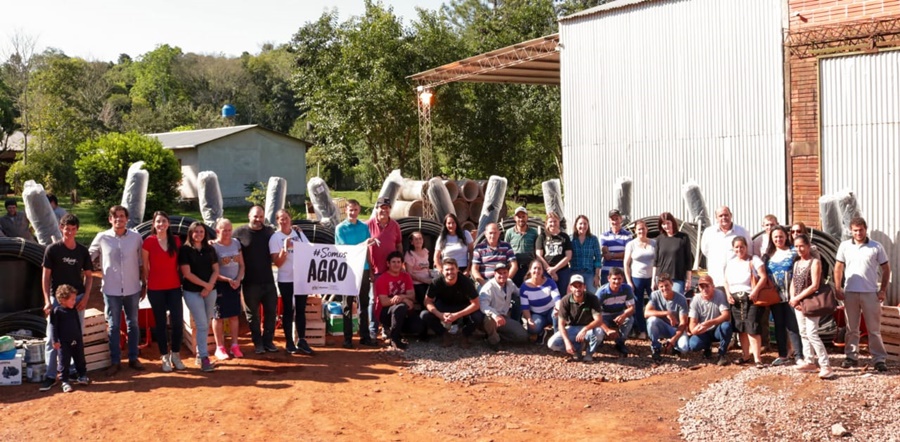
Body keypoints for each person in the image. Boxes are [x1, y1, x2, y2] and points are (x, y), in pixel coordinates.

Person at [39, 213, 93, 392]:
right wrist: (48, 300)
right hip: (57, 301)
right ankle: (50, 375)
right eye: (66, 228)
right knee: (53, 338)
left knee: (75, 337)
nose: (69, 232)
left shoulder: (82, 251)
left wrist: (85, 298)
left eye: (72, 229)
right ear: (61, 228)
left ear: (77, 230)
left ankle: (72, 372)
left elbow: (89, 276)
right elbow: (46, 277)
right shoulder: (53, 250)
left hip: (77, 300)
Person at [89, 205, 145, 375]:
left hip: (132, 288)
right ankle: (115, 361)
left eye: (122, 216)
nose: (119, 219)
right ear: (110, 219)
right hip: (111, 289)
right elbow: (87, 257)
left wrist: (144, 284)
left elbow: (141, 263)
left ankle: (133, 358)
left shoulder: (136, 238)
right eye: (116, 216)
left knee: (133, 323)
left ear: (127, 219)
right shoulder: (102, 237)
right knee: (113, 326)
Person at [833, 216, 890, 372]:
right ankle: (851, 357)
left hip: (871, 293)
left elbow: (886, 269)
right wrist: (838, 288)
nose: (858, 233)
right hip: (850, 292)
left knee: (874, 329)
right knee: (852, 328)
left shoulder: (876, 247)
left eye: (861, 230)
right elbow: (838, 267)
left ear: (866, 229)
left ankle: (879, 359)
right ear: (851, 231)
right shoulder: (845, 246)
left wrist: (883, 290)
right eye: (855, 230)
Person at [141, 211, 186, 372]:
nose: (161, 224)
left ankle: (175, 354)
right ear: (154, 224)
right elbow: (145, 266)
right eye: (158, 221)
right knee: (160, 324)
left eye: (164, 221)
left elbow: (180, 264)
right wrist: (146, 284)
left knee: (177, 322)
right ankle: (164, 356)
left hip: (174, 287)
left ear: (168, 224)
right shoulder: (148, 242)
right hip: (155, 289)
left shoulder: (175, 241)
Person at [234, 205, 279, 354]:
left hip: (268, 281)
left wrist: (296, 229)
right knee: (252, 315)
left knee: (271, 313)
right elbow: (225, 242)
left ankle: (268, 341)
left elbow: (283, 235)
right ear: (249, 216)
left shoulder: (269, 232)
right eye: (255, 216)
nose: (258, 220)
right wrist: (213, 242)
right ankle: (258, 343)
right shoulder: (239, 232)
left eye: (261, 217)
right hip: (249, 283)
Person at [788, 234, 834, 379]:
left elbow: (814, 286)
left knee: (812, 333)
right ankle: (809, 361)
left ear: (808, 246)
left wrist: (797, 298)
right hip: (798, 302)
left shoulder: (815, 263)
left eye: (802, 246)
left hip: (812, 302)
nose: (799, 249)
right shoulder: (796, 263)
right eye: (796, 246)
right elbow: (793, 282)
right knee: (803, 332)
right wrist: (792, 298)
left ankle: (826, 365)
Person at [334, 199, 377, 348]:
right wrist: (364, 244)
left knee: (363, 304)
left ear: (359, 210)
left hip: (363, 269)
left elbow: (367, 251)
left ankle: (364, 336)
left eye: (356, 210)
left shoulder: (364, 228)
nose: (353, 213)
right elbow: (344, 250)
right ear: (346, 210)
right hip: (348, 270)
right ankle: (348, 339)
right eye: (350, 210)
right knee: (347, 304)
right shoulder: (340, 228)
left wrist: (370, 269)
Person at [269, 209, 313, 355]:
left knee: (301, 309)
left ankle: (302, 339)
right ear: (277, 221)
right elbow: (278, 263)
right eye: (281, 218)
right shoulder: (275, 238)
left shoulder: (298, 234)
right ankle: (289, 341)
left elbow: (310, 251)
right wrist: (285, 248)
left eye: (286, 218)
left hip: (301, 278)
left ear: (290, 219)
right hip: (285, 279)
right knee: (288, 310)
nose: (284, 221)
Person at [179, 221, 218, 372]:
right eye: (196, 232)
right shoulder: (185, 250)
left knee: (205, 323)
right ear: (190, 233)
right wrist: (205, 286)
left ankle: (199, 356)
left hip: (210, 291)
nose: (199, 234)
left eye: (201, 232)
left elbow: (216, 269)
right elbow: (187, 273)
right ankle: (203, 357)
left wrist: (209, 287)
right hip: (192, 292)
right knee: (202, 324)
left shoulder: (210, 249)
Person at [763, 225, 804, 366]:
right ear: (771, 239)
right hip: (775, 297)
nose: (778, 239)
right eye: (775, 237)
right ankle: (783, 355)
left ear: (786, 237)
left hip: (792, 296)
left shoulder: (794, 252)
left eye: (781, 236)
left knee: (793, 326)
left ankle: (799, 355)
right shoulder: (768, 255)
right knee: (779, 326)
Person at [723, 236, 766, 368]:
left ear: (746, 247)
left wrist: (755, 291)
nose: (739, 249)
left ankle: (757, 359)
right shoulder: (730, 263)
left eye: (742, 246)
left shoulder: (754, 260)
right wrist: (728, 294)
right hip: (735, 299)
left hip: (751, 297)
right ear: (733, 248)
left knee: (752, 328)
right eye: (736, 247)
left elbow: (763, 277)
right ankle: (745, 355)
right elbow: (726, 281)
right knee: (741, 328)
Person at [421, 258, 482, 348]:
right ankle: (444, 334)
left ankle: (465, 335)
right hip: (443, 306)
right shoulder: (436, 282)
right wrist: (439, 314)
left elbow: (476, 304)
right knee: (424, 315)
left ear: (457, 269)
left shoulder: (465, 282)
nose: (450, 272)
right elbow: (427, 301)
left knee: (478, 316)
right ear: (442, 271)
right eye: (447, 270)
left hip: (462, 306)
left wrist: (457, 315)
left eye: (452, 269)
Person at [367, 197, 403, 340]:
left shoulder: (395, 225)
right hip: (375, 269)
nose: (384, 210)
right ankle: (372, 329)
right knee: (373, 300)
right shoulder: (368, 225)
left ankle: (385, 328)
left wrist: (401, 264)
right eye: (381, 207)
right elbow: (364, 248)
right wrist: (369, 269)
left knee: (389, 299)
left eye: (387, 207)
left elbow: (399, 244)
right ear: (376, 208)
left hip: (391, 271)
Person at [547, 274, 603, 363]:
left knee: (599, 332)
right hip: (572, 328)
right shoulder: (565, 300)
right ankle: (577, 350)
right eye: (575, 286)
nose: (578, 289)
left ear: (584, 286)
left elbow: (599, 320)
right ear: (570, 288)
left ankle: (589, 353)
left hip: (588, 327)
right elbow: (561, 324)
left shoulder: (592, 298)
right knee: (552, 344)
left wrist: (585, 329)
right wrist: (567, 342)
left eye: (580, 286)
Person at [211, 218, 246, 359]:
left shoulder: (236, 243)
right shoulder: (213, 247)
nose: (227, 233)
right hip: (220, 285)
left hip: (235, 284)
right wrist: (228, 280)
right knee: (218, 316)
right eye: (224, 230)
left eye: (229, 230)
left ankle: (234, 346)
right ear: (217, 231)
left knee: (234, 316)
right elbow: (212, 271)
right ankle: (220, 348)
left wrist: (238, 279)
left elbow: (242, 265)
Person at [375, 251, 422, 350]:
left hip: (404, 311)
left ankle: (398, 331)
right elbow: (384, 302)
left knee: (419, 327)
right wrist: (404, 300)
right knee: (400, 307)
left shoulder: (406, 276)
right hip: (386, 312)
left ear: (402, 264)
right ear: (388, 264)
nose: (396, 264)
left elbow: (412, 296)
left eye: (398, 262)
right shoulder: (382, 279)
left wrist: (401, 297)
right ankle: (394, 339)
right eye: (393, 262)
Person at [50, 284, 90, 393]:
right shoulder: (56, 311)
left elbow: (78, 323)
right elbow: (53, 327)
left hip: (77, 339)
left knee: (80, 359)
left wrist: (79, 337)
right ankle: (65, 381)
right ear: (63, 300)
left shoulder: (74, 310)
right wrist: (55, 341)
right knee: (64, 362)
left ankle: (82, 376)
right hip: (63, 343)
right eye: (72, 299)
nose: (74, 301)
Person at [685, 275, 733, 365]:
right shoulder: (695, 300)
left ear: (713, 286)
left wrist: (710, 322)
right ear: (699, 288)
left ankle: (722, 353)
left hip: (717, 329)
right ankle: (707, 348)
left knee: (726, 326)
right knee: (693, 345)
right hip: (704, 331)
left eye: (707, 286)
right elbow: (692, 323)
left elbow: (726, 315)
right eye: (702, 287)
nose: (704, 289)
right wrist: (695, 330)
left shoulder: (719, 294)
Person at [479, 263, 528, 351]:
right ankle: (493, 341)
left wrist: (532, 286)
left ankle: (494, 335)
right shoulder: (488, 287)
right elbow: (483, 305)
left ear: (508, 273)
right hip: (491, 318)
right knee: (489, 318)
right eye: (499, 273)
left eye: (504, 272)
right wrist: (495, 315)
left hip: (504, 318)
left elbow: (519, 292)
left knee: (523, 336)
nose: (502, 275)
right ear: (494, 274)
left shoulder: (510, 283)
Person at [700, 206, 753, 287]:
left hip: (737, 280)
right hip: (716, 279)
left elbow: (749, 251)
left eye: (726, 215)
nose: (724, 217)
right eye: (720, 216)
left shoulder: (742, 232)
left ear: (731, 215)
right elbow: (705, 251)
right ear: (716, 218)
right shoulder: (709, 232)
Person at [644, 273, 689, 362]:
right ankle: (655, 348)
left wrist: (674, 338)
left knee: (684, 348)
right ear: (658, 287)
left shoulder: (681, 299)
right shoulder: (655, 295)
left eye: (666, 285)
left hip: (676, 329)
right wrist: (666, 313)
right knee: (652, 320)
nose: (664, 288)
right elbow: (646, 313)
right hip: (662, 326)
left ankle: (674, 345)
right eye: (661, 286)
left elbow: (683, 323)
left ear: (672, 284)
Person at [624, 220, 655, 338]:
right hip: (637, 278)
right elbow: (626, 264)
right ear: (635, 231)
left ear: (647, 229)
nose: (641, 231)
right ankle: (642, 330)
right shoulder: (631, 244)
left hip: (651, 278)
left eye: (643, 228)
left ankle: (653, 329)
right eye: (639, 229)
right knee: (638, 304)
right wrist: (629, 281)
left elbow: (658, 261)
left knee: (654, 303)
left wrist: (656, 279)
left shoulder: (654, 243)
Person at [594, 267, 635, 356]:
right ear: (609, 279)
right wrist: (607, 329)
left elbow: (632, 308)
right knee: (598, 332)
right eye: (614, 279)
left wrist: (624, 315)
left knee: (629, 319)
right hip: (604, 315)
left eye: (619, 279)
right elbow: (594, 313)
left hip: (619, 313)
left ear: (623, 279)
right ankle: (600, 340)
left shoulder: (627, 289)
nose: (617, 282)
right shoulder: (601, 292)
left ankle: (620, 342)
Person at [520, 260, 561, 343]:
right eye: (534, 268)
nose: (537, 271)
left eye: (539, 269)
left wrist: (558, 308)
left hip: (551, 311)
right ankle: (541, 332)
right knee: (532, 329)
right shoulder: (524, 287)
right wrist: (528, 319)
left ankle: (558, 337)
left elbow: (557, 298)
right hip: (537, 314)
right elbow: (525, 307)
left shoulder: (549, 282)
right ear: (530, 270)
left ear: (543, 271)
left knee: (558, 315)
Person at [654, 212, 694, 296]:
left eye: (668, 223)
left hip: (677, 277)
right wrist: (654, 280)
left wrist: (688, 279)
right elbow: (655, 261)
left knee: (675, 302)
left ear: (673, 222)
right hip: (662, 279)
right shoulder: (659, 239)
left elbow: (688, 260)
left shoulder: (683, 237)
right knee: (664, 304)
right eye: (663, 224)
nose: (666, 226)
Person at [535, 212, 573, 292]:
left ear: (558, 222)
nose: (553, 224)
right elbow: (539, 256)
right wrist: (551, 271)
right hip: (546, 271)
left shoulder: (564, 237)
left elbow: (568, 256)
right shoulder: (542, 237)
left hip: (562, 271)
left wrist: (555, 269)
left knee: (562, 294)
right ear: (546, 223)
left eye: (555, 221)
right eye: (550, 222)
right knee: (547, 294)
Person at [504, 206, 538, 286]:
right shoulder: (509, 232)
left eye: (523, 216)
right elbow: (506, 250)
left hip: (529, 268)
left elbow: (537, 250)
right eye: (519, 217)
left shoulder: (534, 232)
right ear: (515, 218)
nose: (521, 219)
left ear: (527, 217)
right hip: (514, 268)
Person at [570, 215, 602, 294]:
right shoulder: (571, 239)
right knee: (575, 295)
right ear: (576, 225)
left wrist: (597, 276)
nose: (583, 226)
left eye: (585, 224)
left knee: (593, 295)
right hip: (575, 272)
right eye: (580, 224)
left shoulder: (593, 239)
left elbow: (598, 258)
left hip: (589, 273)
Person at [600, 209, 632, 285]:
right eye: (612, 219)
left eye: (616, 219)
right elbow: (605, 253)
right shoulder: (604, 235)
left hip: (622, 272)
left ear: (621, 219)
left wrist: (612, 255)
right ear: (609, 220)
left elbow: (628, 254)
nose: (615, 221)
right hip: (607, 272)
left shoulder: (628, 235)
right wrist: (619, 255)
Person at [404, 231, 432, 307]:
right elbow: (409, 273)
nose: (418, 241)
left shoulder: (426, 251)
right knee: (426, 303)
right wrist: (425, 281)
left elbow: (426, 267)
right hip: (417, 284)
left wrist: (432, 275)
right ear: (411, 242)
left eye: (420, 239)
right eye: (416, 239)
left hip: (428, 281)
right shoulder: (410, 255)